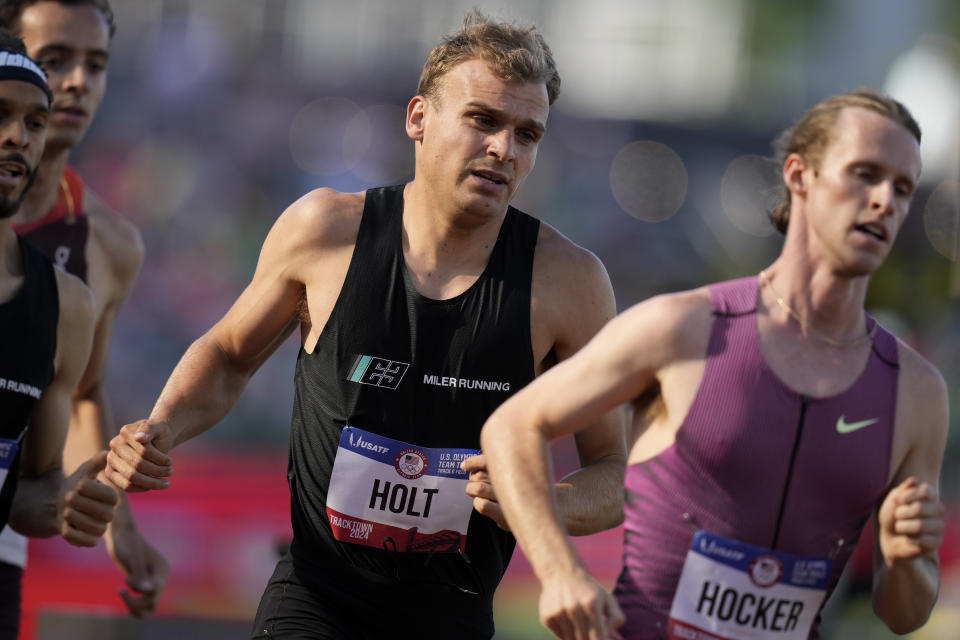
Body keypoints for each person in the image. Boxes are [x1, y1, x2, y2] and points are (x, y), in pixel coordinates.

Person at [105, 10, 626, 639]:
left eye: (528, 133)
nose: (503, 149)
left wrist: (543, 500)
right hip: (316, 599)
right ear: (418, 118)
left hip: (452, 616)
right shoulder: (325, 230)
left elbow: (614, 473)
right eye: (483, 120)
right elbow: (229, 355)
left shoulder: (569, 281)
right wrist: (159, 429)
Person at [479, 88, 948, 640]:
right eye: (864, 174)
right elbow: (512, 426)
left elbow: (903, 614)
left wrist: (907, 558)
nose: (883, 202)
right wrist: (559, 573)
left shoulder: (916, 391)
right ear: (800, 176)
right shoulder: (684, 327)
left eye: (902, 187)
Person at [0, 0, 168, 621]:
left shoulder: (109, 243)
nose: (77, 82)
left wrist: (117, 525)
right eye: (55, 59)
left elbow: (82, 395)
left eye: (95, 65)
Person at [0, 28, 119, 639]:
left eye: (35, 121)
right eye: (0, 114)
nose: (17, 136)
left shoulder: (66, 304)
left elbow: (28, 490)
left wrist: (65, 502)